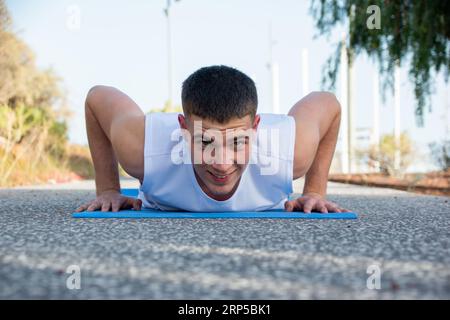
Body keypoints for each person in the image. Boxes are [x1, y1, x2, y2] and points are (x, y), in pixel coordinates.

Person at [75, 65, 349, 213]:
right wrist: (108, 190)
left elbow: (328, 103)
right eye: (205, 142)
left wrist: (314, 191)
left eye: (236, 142)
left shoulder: (288, 153)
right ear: (183, 128)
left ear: (255, 128)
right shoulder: (144, 150)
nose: (221, 163)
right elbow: (97, 97)